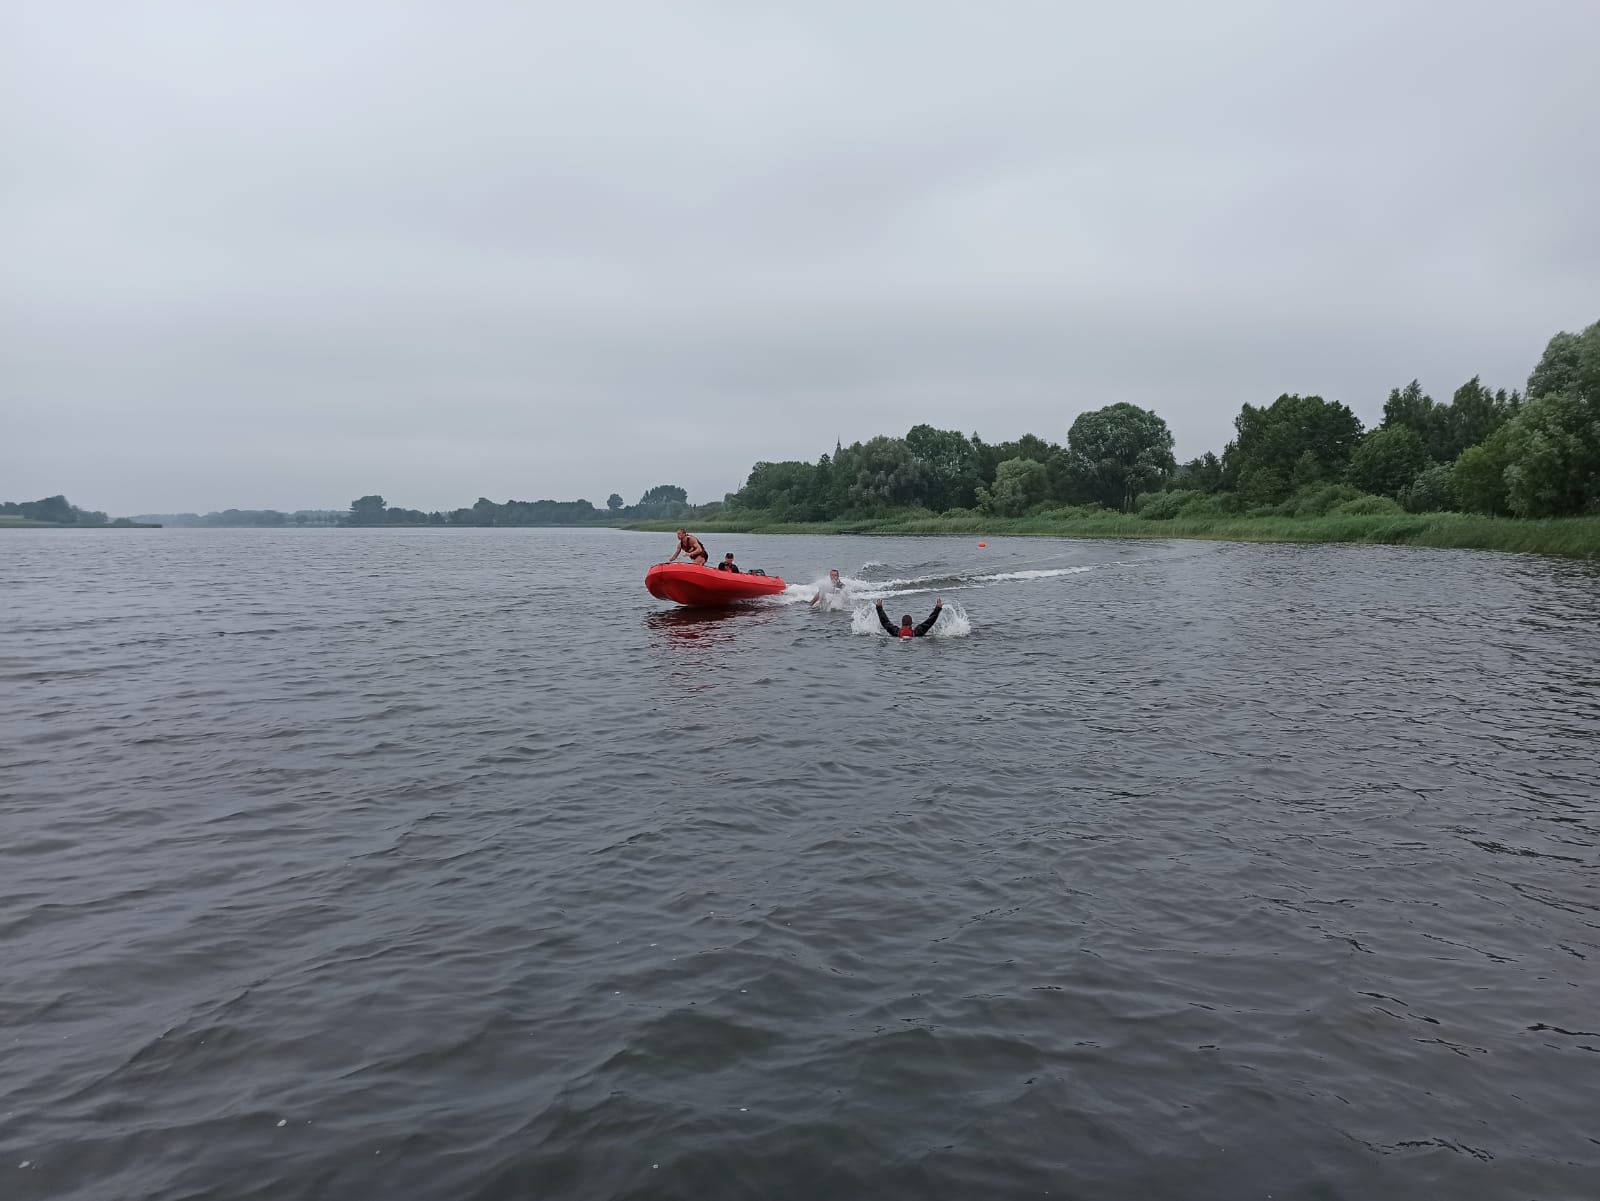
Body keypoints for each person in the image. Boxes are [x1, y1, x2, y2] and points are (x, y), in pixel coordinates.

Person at [876, 598, 943, 638]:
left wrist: (879, 608)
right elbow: (930, 621)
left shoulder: (895, 632)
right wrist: (938, 608)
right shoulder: (918, 632)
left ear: (902, 625)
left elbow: (885, 622)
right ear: (911, 625)